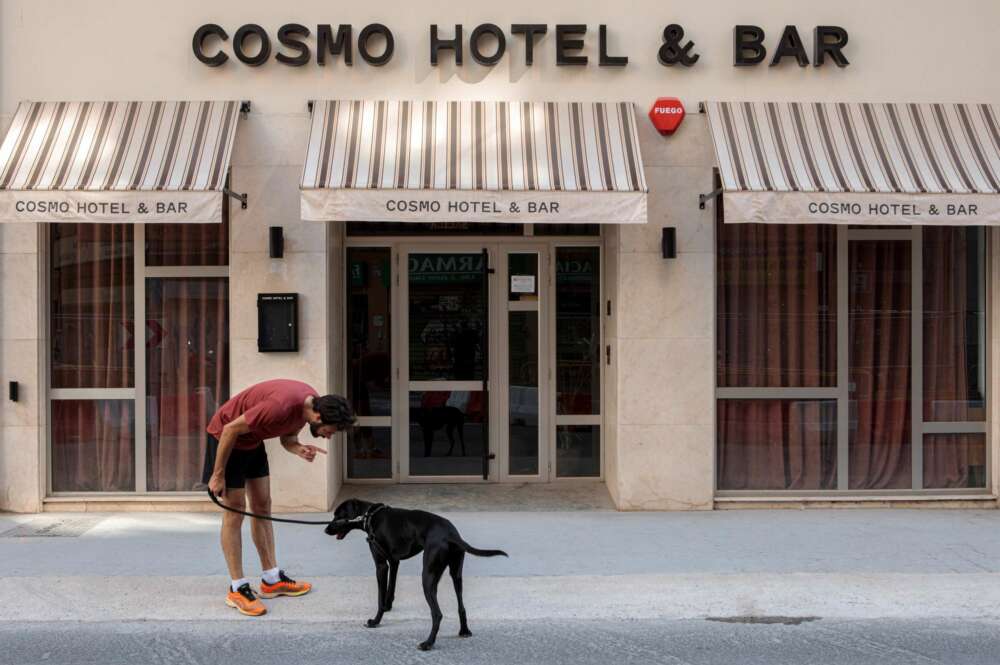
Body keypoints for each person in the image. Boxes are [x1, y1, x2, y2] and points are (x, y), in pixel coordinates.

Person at [205, 379, 356, 616]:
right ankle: (237, 587)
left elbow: (287, 439)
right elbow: (230, 429)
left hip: (252, 441)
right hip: (227, 440)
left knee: (263, 506)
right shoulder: (281, 406)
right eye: (331, 431)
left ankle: (271, 579)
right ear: (319, 418)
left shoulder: (308, 406)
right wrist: (218, 474)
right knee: (235, 510)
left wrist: (299, 449)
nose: (328, 437)